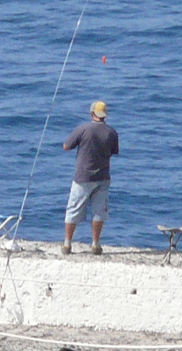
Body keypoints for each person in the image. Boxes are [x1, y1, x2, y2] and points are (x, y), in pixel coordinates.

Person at [62, 100, 119, 256]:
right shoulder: (111, 132)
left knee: (73, 209)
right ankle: (95, 244)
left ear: (92, 113)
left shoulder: (83, 129)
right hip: (103, 176)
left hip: (82, 177)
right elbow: (114, 151)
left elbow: (66, 146)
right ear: (104, 115)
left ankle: (67, 243)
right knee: (99, 211)